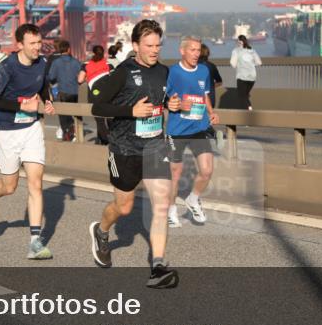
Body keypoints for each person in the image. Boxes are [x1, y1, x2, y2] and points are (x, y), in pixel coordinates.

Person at [88, 19, 183, 289]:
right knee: (124, 207)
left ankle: (158, 267)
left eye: (158, 46)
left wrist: (171, 104)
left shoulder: (164, 72)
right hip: (124, 149)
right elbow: (98, 107)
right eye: (149, 46)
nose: (154, 50)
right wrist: (130, 111)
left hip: (154, 147)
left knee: (161, 205)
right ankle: (101, 231)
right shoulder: (122, 73)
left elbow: (161, 99)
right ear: (136, 45)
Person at [0, 23, 56, 260]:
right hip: (7, 131)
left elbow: (43, 85)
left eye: (39, 42)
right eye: (32, 44)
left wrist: (47, 100)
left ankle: (35, 243)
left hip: (31, 129)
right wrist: (21, 106)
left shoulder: (42, 63)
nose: (37, 47)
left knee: (36, 184)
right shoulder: (7, 67)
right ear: (19, 45)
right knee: (9, 187)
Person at [166, 36, 219, 228]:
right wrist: (177, 104)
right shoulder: (172, 72)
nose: (196, 54)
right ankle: (171, 210)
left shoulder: (204, 70)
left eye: (198, 50)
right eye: (192, 50)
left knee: (207, 170)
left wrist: (211, 113)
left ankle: (193, 199)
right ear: (182, 51)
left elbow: (204, 95)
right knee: (175, 173)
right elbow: (165, 98)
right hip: (177, 130)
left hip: (199, 127)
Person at [47, 40, 82, 142]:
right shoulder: (76, 62)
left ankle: (67, 132)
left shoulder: (56, 62)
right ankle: (75, 131)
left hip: (62, 91)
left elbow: (51, 77)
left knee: (63, 114)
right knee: (74, 112)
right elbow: (81, 75)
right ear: (69, 49)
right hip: (74, 92)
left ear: (59, 49)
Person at [79, 44, 113, 145]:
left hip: (94, 97)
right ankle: (107, 139)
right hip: (108, 96)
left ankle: (106, 140)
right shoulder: (108, 65)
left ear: (93, 53)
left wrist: (88, 77)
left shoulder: (86, 64)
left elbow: (80, 80)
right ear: (103, 53)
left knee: (99, 120)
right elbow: (115, 80)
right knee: (109, 118)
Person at [199, 43, 224, 146]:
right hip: (211, 97)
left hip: (200, 98)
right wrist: (211, 87)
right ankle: (211, 136)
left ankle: (213, 134)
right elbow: (219, 82)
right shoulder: (212, 66)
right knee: (202, 120)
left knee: (197, 120)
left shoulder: (195, 66)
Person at [230, 34, 262, 110]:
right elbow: (259, 63)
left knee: (242, 96)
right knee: (245, 95)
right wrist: (250, 64)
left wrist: (240, 65)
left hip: (242, 77)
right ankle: (248, 109)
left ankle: (249, 109)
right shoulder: (252, 50)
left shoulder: (236, 51)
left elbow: (233, 64)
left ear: (239, 41)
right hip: (252, 78)